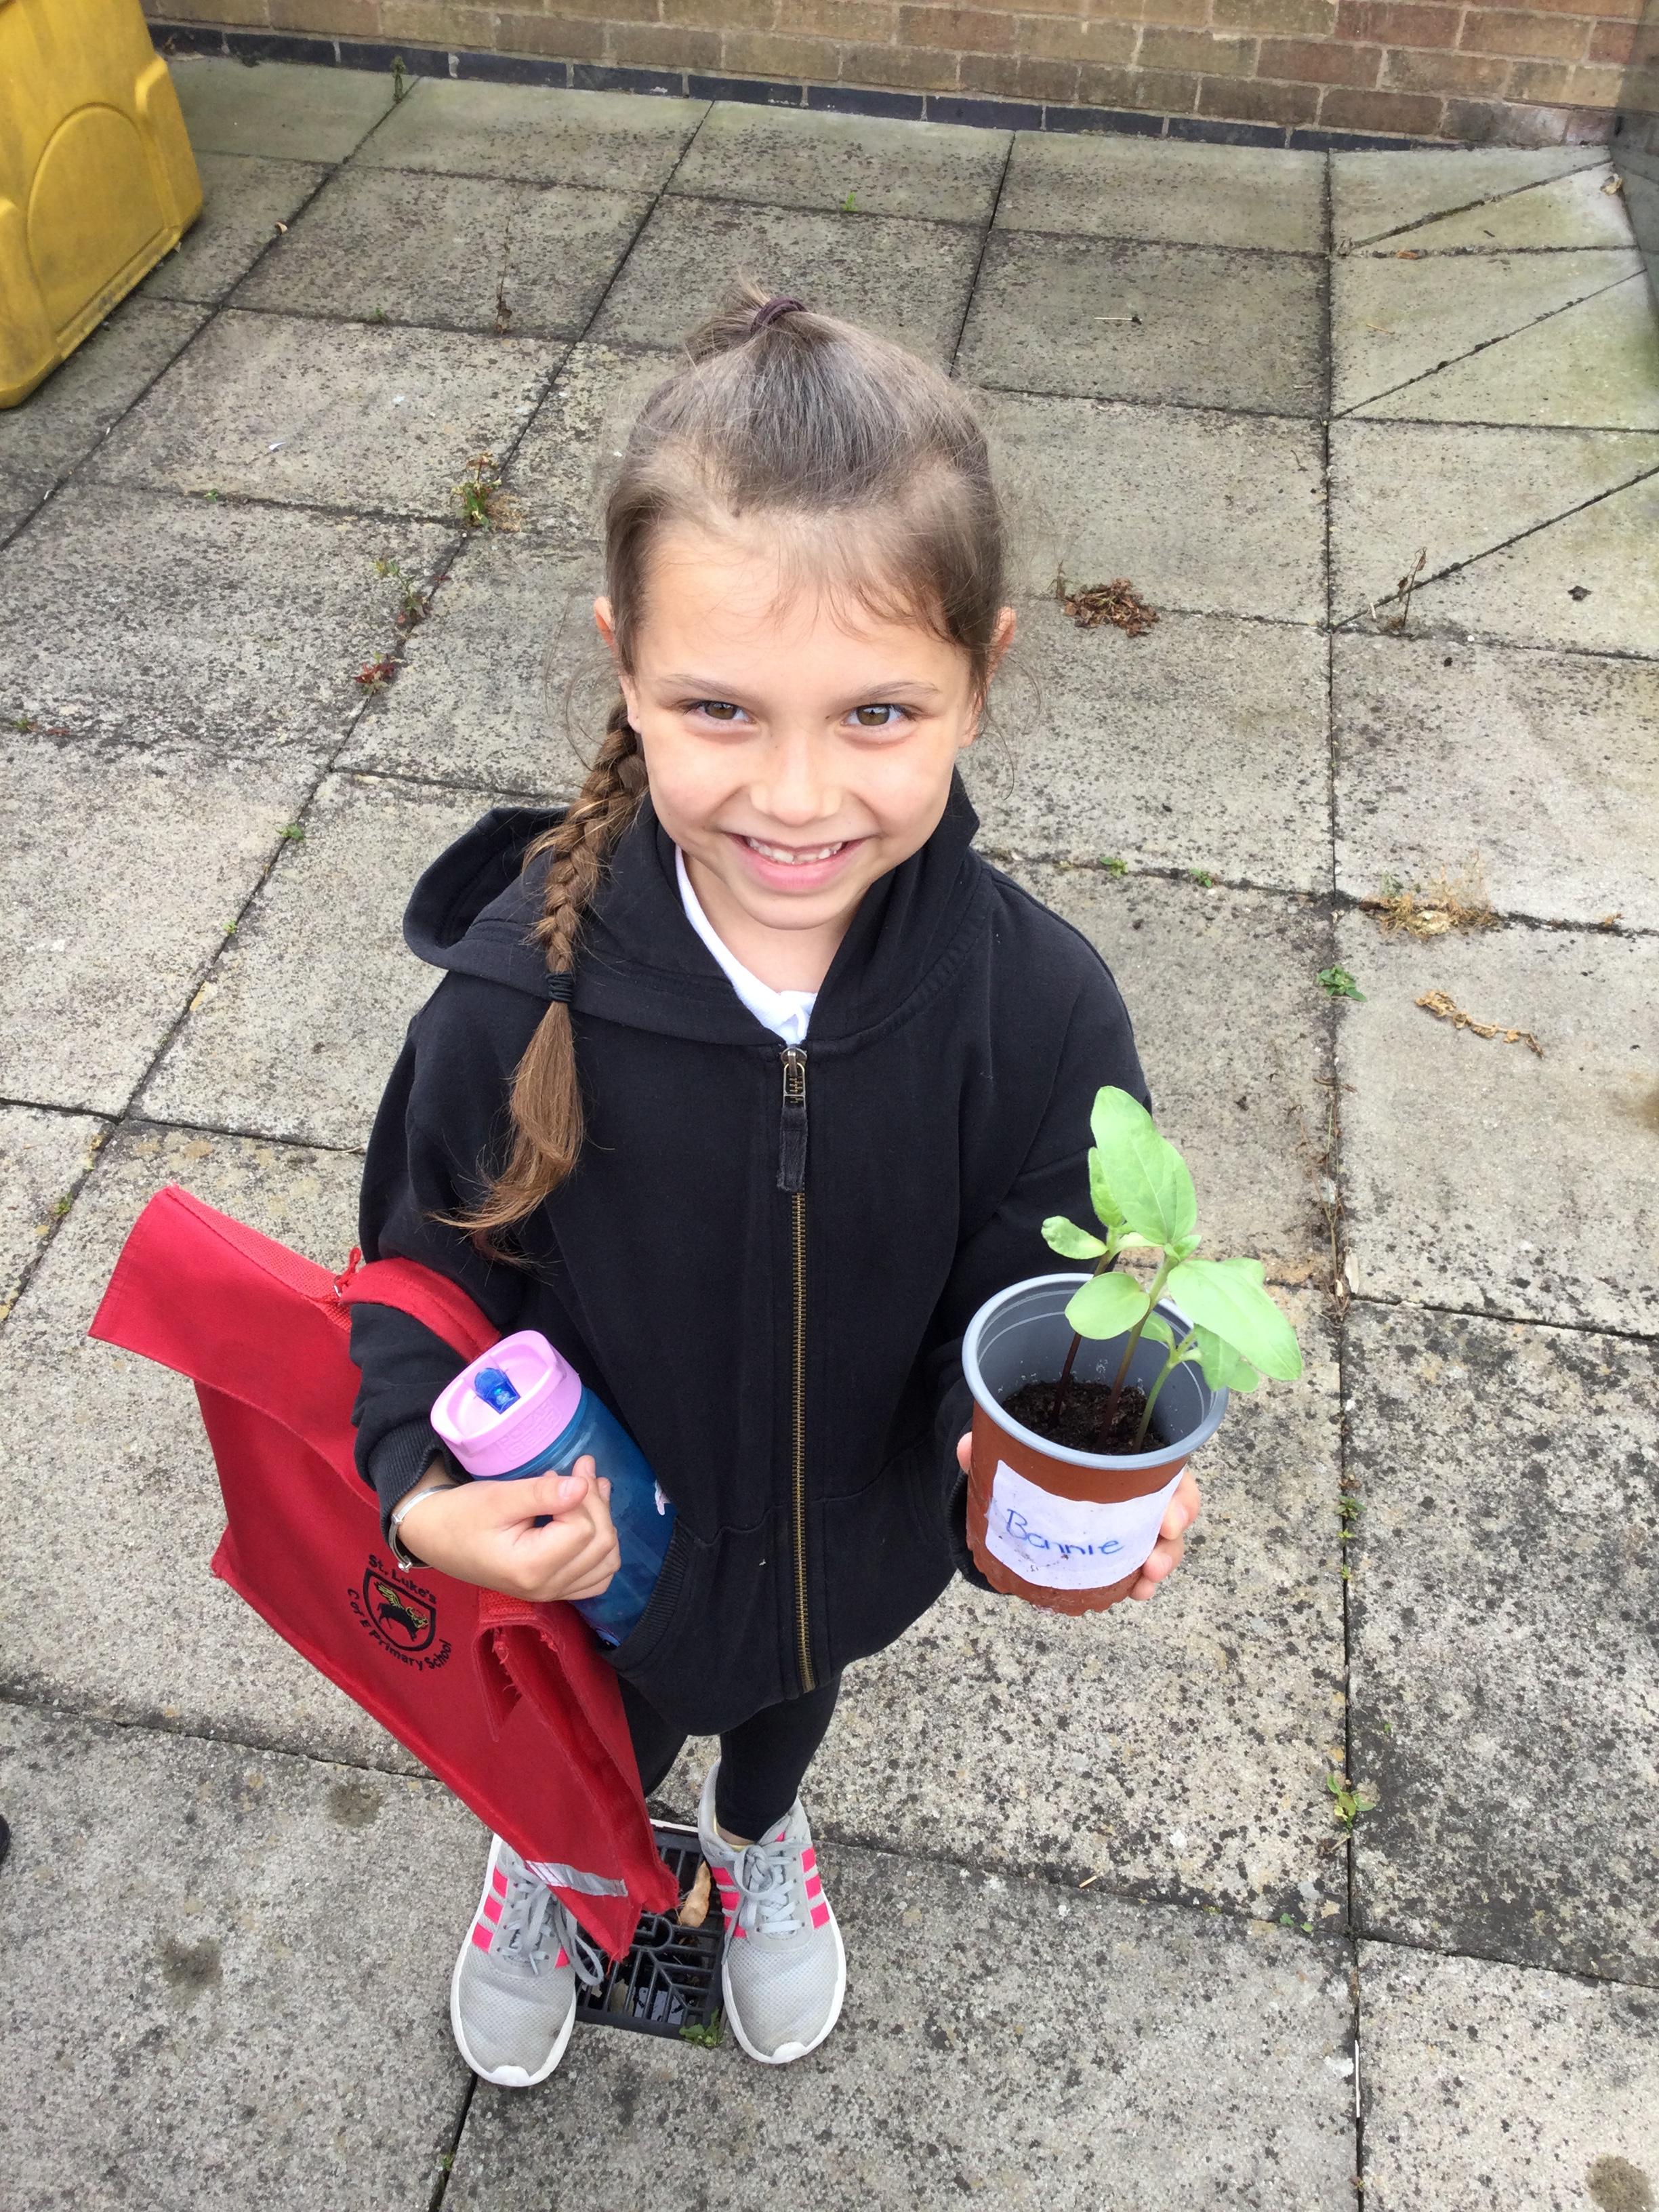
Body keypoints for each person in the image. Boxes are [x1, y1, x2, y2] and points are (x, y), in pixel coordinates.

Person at [348, 287, 1200, 2089]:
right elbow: (414, 1286)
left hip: (853, 1550)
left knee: (790, 1692)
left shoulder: (1041, 1011)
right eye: (719, 709)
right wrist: (422, 1495)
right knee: (583, 1730)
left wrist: (1061, 1459)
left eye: (879, 711)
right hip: (593, 1554)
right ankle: (559, 1851)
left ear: (984, 675)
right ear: (625, 667)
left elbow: (1042, 1295)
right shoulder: (512, 1004)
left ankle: (755, 1834)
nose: (798, 797)